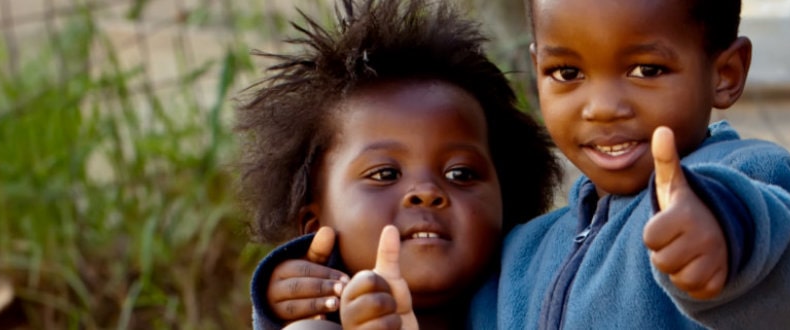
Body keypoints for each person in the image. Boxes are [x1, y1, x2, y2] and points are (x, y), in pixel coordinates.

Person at [495, 0, 790, 328]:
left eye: (646, 70)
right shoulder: (525, 253)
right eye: (567, 72)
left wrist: (727, 234)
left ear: (725, 73)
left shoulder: (742, 177)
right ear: (537, 68)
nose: (601, 107)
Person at [235, 0, 560, 328]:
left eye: (460, 173)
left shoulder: (539, 293)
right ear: (315, 227)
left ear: (505, 200)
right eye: (385, 174)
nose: (427, 192)